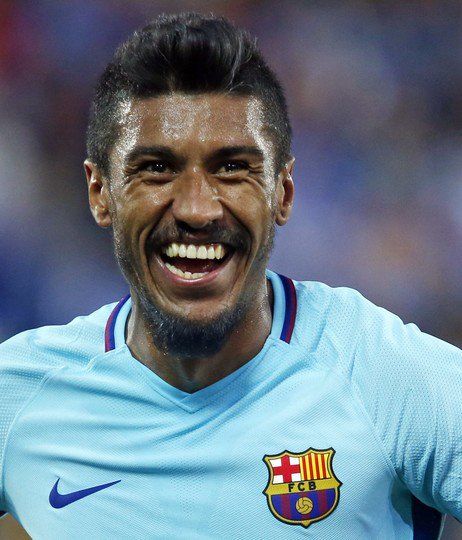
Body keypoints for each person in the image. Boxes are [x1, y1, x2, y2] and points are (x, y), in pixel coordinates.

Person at [0, 12, 461, 539]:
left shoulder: (385, 376)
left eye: (232, 168)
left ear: (282, 191)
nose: (197, 208)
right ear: (100, 193)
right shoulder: (22, 394)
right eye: (156, 168)